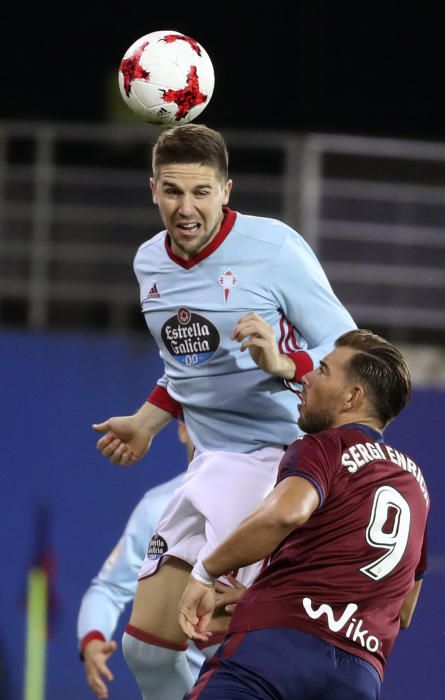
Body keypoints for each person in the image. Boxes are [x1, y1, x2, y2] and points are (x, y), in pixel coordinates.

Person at [92, 123, 356, 699]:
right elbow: (188, 367)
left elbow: (351, 348)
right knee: (148, 650)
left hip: (277, 463)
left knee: (224, 639)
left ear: (227, 191)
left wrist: (285, 362)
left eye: (201, 192)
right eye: (172, 192)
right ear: (152, 191)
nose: (186, 209)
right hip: (209, 464)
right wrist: (145, 421)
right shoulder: (148, 264)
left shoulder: (274, 247)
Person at [179, 329, 429, 700]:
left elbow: (287, 513)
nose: (307, 376)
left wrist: (205, 572)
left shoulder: (323, 447)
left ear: (352, 397)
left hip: (275, 655)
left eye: (324, 370)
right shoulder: (415, 484)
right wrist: (262, 595)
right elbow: (404, 610)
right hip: (358, 677)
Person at [77, 422, 207, 699]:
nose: (213, 429)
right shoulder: (156, 507)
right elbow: (109, 589)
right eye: (201, 417)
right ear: (182, 428)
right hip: (181, 686)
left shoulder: (276, 500)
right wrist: (92, 638)